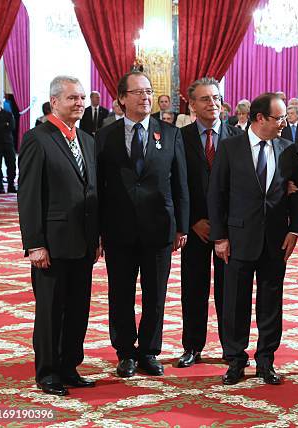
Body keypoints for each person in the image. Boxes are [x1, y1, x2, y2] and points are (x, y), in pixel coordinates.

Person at [95, 71, 189, 378]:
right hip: (118, 229)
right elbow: (98, 186)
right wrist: (97, 230)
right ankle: (125, 352)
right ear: (122, 98)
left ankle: (149, 351)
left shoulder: (170, 133)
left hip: (159, 227)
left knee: (155, 294)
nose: (145, 97)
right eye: (137, 92)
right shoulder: (105, 135)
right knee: (120, 294)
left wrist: (182, 226)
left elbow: (181, 184)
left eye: (148, 91)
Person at [207, 92, 298, 386]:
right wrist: (219, 237)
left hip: (275, 239)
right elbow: (217, 194)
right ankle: (235, 359)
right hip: (237, 238)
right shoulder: (230, 147)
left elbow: (297, 194)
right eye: (279, 118)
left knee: (271, 302)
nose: (284, 124)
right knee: (235, 302)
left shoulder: (288, 149)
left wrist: (295, 229)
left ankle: (266, 360)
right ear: (260, 118)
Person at [17, 75, 100, 396]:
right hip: (51, 244)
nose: (80, 103)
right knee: (51, 312)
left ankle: (69, 366)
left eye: (82, 98)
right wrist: (35, 243)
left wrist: (96, 238)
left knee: (78, 309)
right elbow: (29, 196)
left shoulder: (88, 140)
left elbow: (91, 191)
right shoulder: (37, 139)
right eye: (72, 98)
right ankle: (48, 372)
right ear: (54, 102)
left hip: (83, 243)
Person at [177, 77, 242, 368]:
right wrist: (191, 221)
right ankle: (192, 346)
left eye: (216, 97)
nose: (212, 103)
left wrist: (222, 225)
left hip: (229, 229)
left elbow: (243, 187)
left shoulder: (238, 137)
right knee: (194, 289)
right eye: (204, 99)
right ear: (192, 105)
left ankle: (231, 348)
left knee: (230, 291)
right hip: (195, 229)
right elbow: (176, 184)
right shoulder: (179, 138)